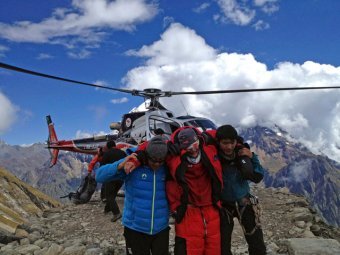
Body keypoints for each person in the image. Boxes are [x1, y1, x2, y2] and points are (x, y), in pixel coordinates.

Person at [96, 136, 170, 255]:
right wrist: (119, 165)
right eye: (153, 160)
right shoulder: (132, 165)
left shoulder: (167, 167)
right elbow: (99, 176)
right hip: (135, 229)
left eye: (160, 161)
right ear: (146, 156)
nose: (157, 164)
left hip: (161, 229)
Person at [166, 127, 223, 255]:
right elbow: (149, 147)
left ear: (199, 140)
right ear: (181, 148)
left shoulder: (209, 150)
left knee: (213, 249)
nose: (194, 149)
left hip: (211, 208)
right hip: (188, 211)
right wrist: (168, 144)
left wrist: (242, 146)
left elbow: (223, 133)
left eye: (196, 144)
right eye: (189, 148)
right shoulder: (173, 159)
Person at [215, 125, 266, 255]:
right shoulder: (213, 158)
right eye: (225, 143)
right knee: (222, 246)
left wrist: (252, 156)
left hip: (244, 201)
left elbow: (257, 177)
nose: (229, 147)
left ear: (236, 141)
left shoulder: (243, 155)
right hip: (224, 205)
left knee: (256, 242)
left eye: (232, 143)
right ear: (218, 142)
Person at [100, 140, 127, 222]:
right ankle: (107, 208)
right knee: (113, 193)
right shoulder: (122, 153)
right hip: (121, 178)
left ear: (108, 147)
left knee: (109, 195)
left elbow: (102, 167)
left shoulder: (107, 154)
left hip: (111, 177)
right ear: (115, 145)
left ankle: (116, 213)